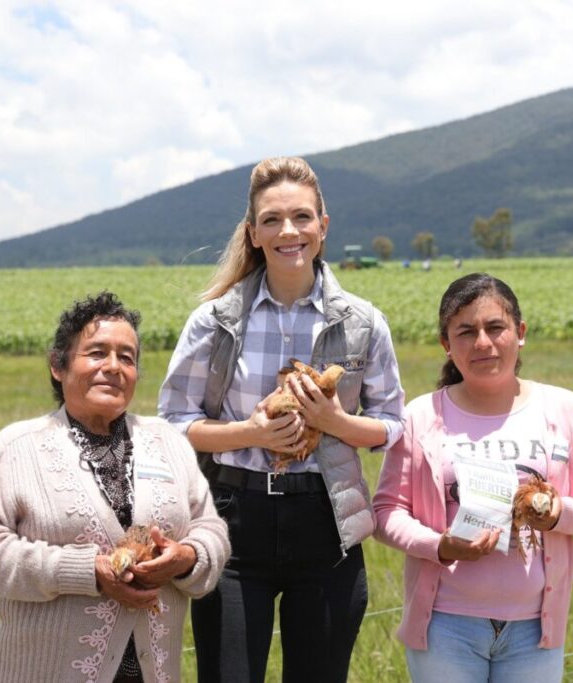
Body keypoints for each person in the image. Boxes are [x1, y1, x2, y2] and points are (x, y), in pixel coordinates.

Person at [158, 156, 405, 683]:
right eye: (271, 220)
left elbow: (390, 425)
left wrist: (334, 420)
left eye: (301, 217)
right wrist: (251, 433)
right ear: (252, 233)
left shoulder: (363, 323)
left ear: (323, 227)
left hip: (326, 521)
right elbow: (173, 422)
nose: (287, 231)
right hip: (232, 518)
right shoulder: (215, 319)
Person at [0, 291, 229, 683]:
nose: (113, 367)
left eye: (127, 357)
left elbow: (211, 528)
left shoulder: (167, 441)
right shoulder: (16, 448)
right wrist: (86, 571)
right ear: (58, 365)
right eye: (97, 353)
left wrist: (186, 556)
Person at [372, 273, 573, 682]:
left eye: (495, 327)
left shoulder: (565, 411)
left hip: (534, 630)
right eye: (466, 332)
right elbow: (385, 513)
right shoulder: (419, 417)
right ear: (446, 345)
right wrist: (441, 547)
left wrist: (557, 513)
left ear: (520, 333)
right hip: (444, 626)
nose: (482, 343)